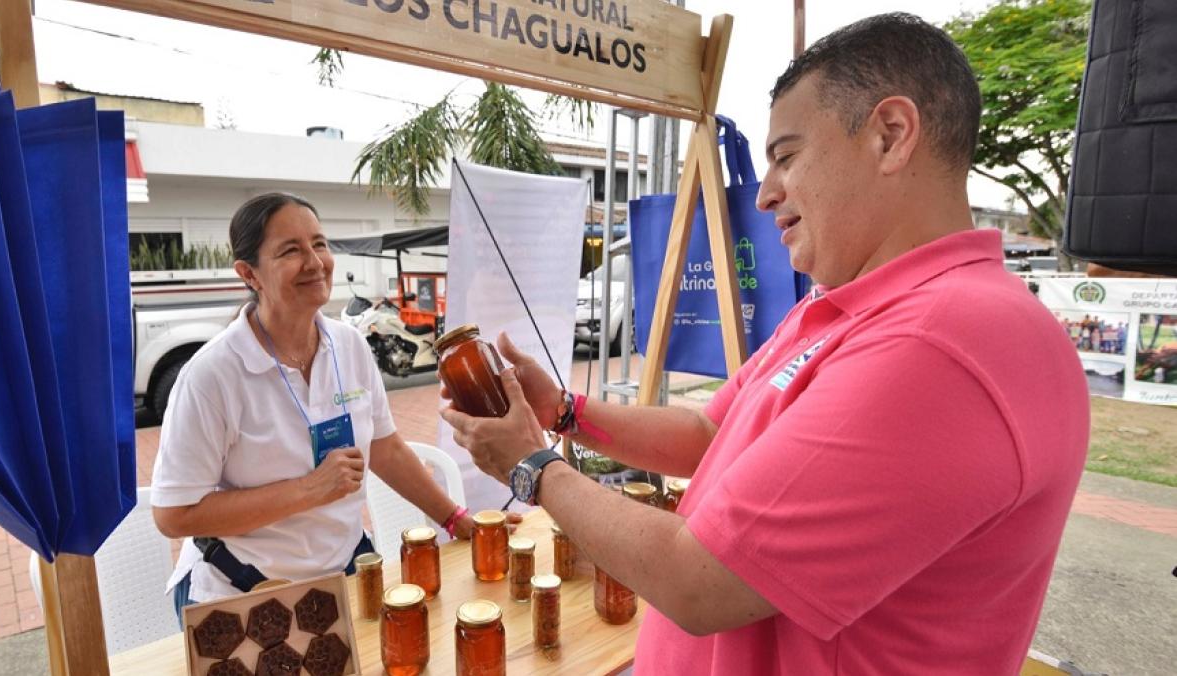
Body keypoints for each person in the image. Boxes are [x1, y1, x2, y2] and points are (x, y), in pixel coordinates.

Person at [442, 13, 1088, 675]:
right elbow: (705, 432)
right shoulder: (846, 307)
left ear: (891, 136)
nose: (766, 194)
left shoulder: (941, 342)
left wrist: (530, 467)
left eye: (786, 156)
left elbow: (697, 580)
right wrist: (565, 411)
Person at [151, 193, 514, 617]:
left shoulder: (350, 345)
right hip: (243, 592)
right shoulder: (212, 375)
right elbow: (174, 516)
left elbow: (385, 448)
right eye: (290, 250)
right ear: (249, 274)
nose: (314, 261)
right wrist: (309, 489)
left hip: (347, 577)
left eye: (319, 244)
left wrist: (456, 520)